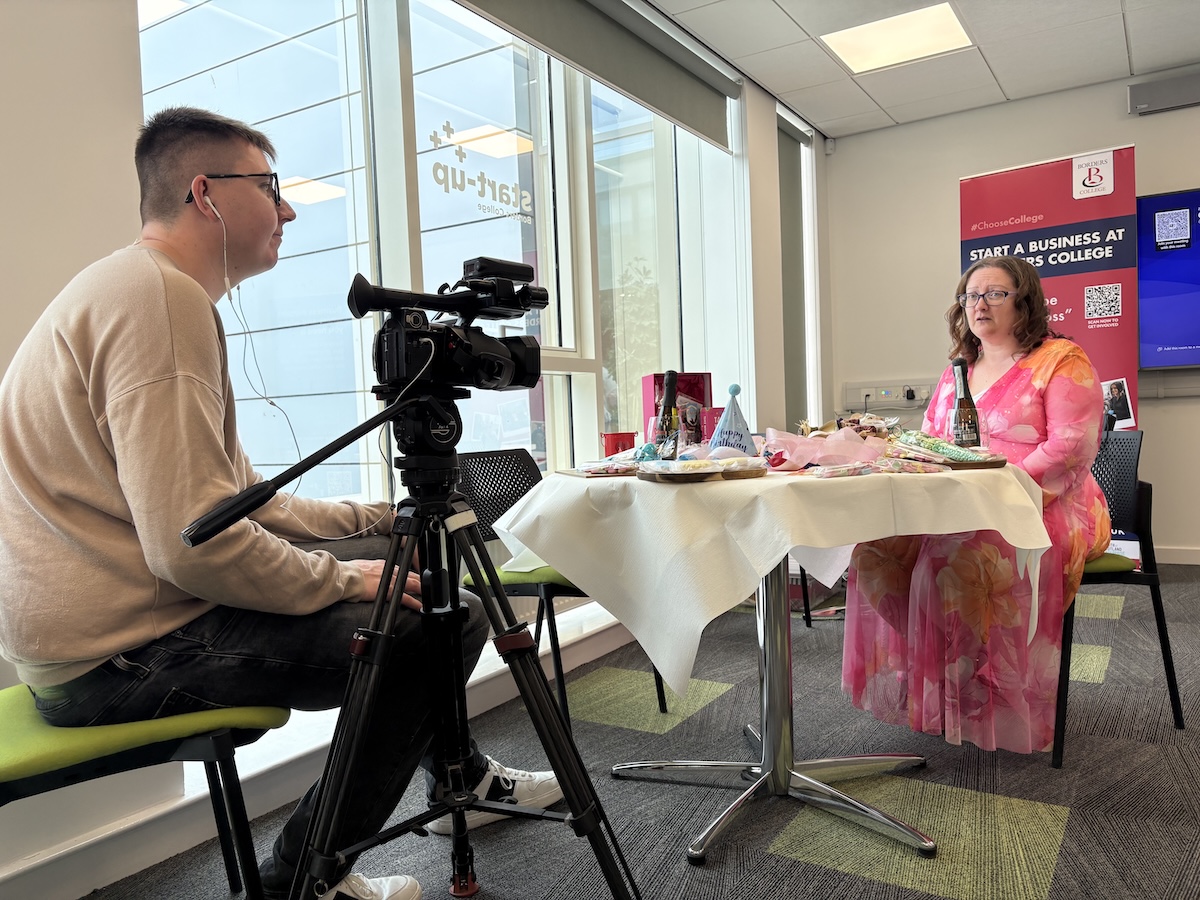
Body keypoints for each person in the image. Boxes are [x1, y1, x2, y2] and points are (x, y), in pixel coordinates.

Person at [0, 107, 561, 900]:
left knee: (410, 570)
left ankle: (457, 778)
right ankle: (301, 879)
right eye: (271, 187)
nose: (290, 208)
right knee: (441, 621)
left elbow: (234, 506)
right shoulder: (160, 303)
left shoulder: (137, 289)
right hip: (118, 656)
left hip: (110, 628)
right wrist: (342, 581)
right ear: (206, 193)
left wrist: (373, 526)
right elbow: (192, 545)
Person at [841, 255, 1112, 754]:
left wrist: (998, 490)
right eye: (970, 295)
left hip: (1042, 503)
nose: (978, 304)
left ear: (1024, 301)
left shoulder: (1060, 360)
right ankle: (949, 670)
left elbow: (1072, 446)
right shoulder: (956, 372)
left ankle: (990, 690)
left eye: (995, 293)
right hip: (958, 505)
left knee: (956, 562)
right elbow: (930, 440)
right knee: (875, 553)